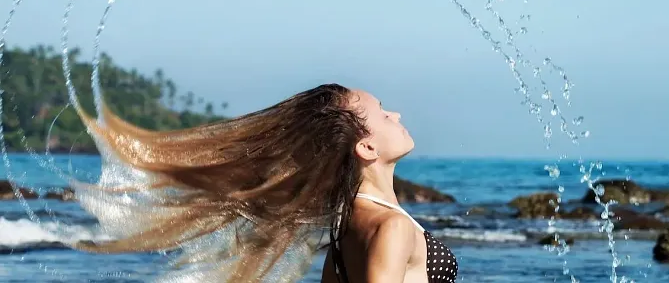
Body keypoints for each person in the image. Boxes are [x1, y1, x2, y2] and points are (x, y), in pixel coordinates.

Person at [70, 83, 458, 283]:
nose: (396, 113)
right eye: (383, 113)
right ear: (367, 146)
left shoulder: (347, 228)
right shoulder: (390, 227)